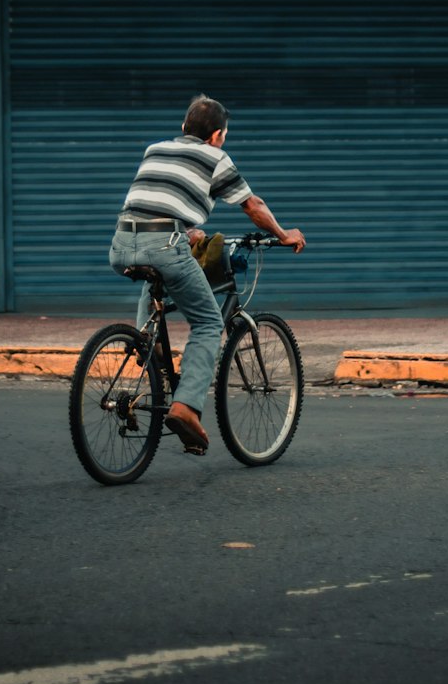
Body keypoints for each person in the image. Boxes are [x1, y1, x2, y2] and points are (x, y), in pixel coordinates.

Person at [110, 94, 306, 455]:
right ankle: (185, 407)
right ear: (217, 136)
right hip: (164, 244)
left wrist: (187, 231)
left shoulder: (155, 149)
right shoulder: (215, 157)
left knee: (158, 275)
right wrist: (283, 234)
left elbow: (155, 202)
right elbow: (253, 205)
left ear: (185, 127)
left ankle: (146, 347)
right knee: (207, 324)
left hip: (121, 243)